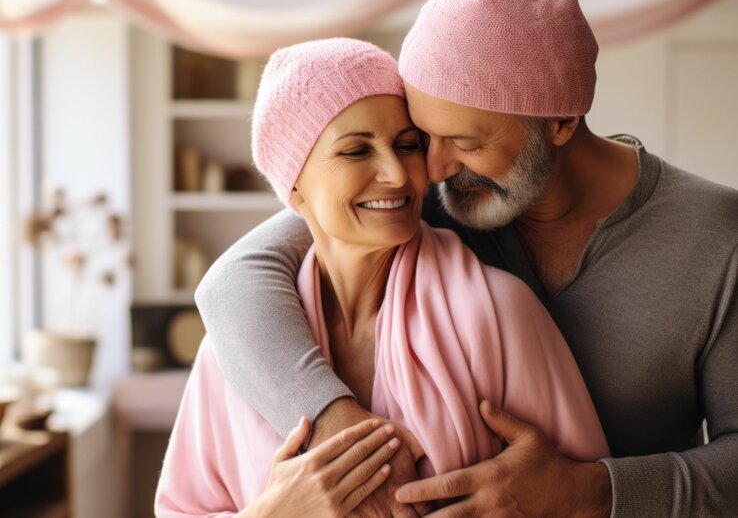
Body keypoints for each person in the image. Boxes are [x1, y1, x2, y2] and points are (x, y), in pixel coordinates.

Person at [196, 0, 738, 517]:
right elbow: (233, 281)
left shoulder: (717, 236)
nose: (429, 168)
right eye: (422, 138)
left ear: (562, 122)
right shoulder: (429, 197)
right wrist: (337, 426)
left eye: (463, 141)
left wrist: (589, 491)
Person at [155, 38, 609, 518]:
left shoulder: (496, 313)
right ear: (293, 185)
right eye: (355, 151)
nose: (397, 173)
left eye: (407, 145)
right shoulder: (234, 351)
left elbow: (585, 498)